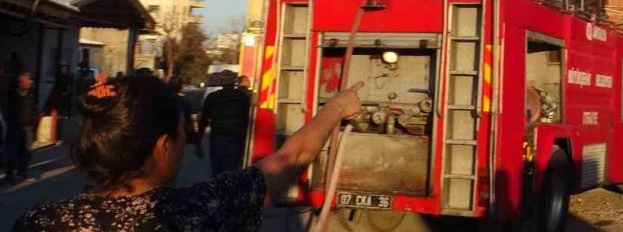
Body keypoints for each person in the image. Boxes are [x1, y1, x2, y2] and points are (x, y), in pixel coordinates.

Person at [15, 73, 364, 231]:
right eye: (181, 135)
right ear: (163, 146)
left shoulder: (39, 220)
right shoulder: (200, 210)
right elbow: (295, 155)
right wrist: (335, 108)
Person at [198, 76, 251, 176]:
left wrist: (198, 141)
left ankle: (218, 188)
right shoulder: (242, 97)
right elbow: (247, 118)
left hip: (217, 138)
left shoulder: (212, 97)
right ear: (234, 83)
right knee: (232, 169)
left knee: (217, 169)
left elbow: (204, 120)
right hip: (235, 138)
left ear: (221, 83)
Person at [5, 72, 37, 184]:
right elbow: (7, 110)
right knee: (12, 151)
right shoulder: (12, 95)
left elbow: (34, 109)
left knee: (27, 151)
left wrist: (33, 121)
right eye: (28, 80)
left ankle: (22, 173)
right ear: (21, 82)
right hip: (15, 126)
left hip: (28, 126)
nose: (31, 82)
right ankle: (9, 175)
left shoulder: (31, 94)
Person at [167, 76, 202, 158]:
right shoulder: (183, 103)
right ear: (180, 87)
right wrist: (196, 143)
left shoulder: (160, 101)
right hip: (178, 136)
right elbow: (189, 124)